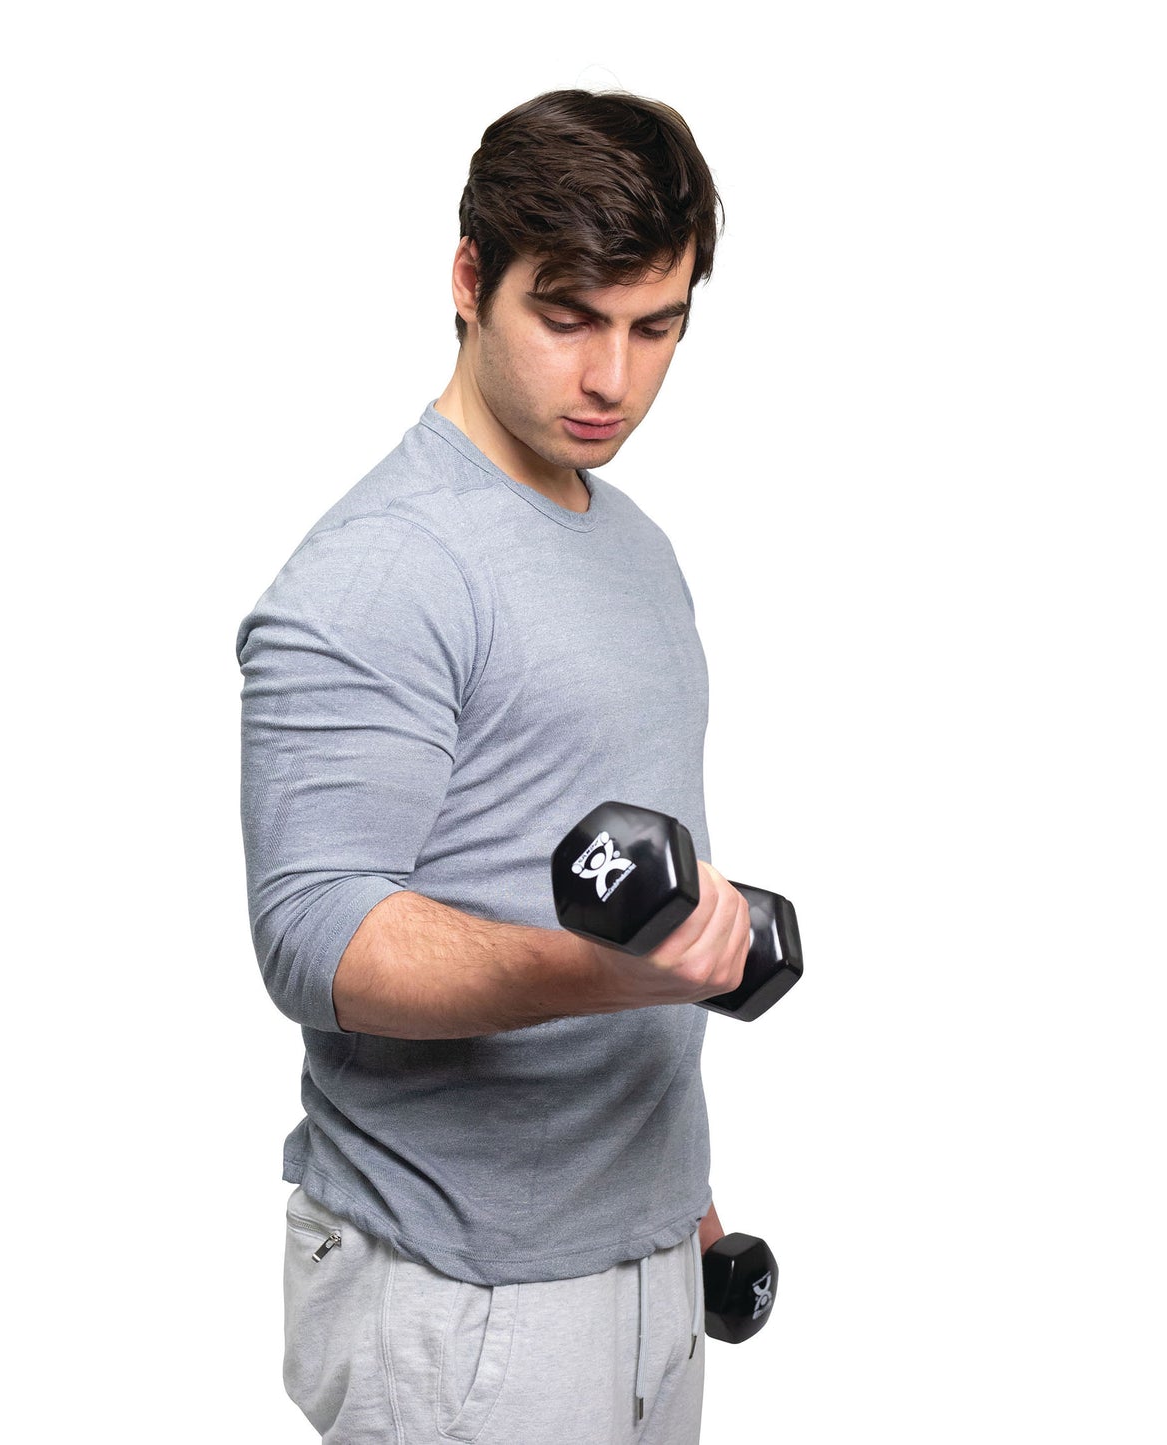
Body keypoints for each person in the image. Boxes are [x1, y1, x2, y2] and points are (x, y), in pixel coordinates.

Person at [237, 88, 751, 1444]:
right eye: (568, 317)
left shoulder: (633, 547)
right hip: (462, 1298)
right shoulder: (381, 567)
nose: (612, 380)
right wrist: (611, 973)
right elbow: (314, 936)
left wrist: (685, 1205)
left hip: (643, 1264)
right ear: (470, 282)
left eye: (657, 327)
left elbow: (630, 880)